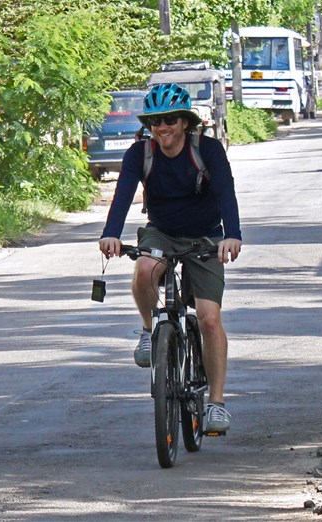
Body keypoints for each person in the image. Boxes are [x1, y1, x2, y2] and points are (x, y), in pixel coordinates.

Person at [98, 83, 242, 434]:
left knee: (209, 319)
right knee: (145, 268)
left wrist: (233, 236)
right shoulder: (139, 153)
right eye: (156, 121)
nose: (163, 128)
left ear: (185, 123)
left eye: (170, 120)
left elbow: (225, 191)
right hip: (161, 231)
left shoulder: (206, 150)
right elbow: (122, 196)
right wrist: (111, 232)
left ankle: (217, 403)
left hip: (206, 235)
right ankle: (149, 331)